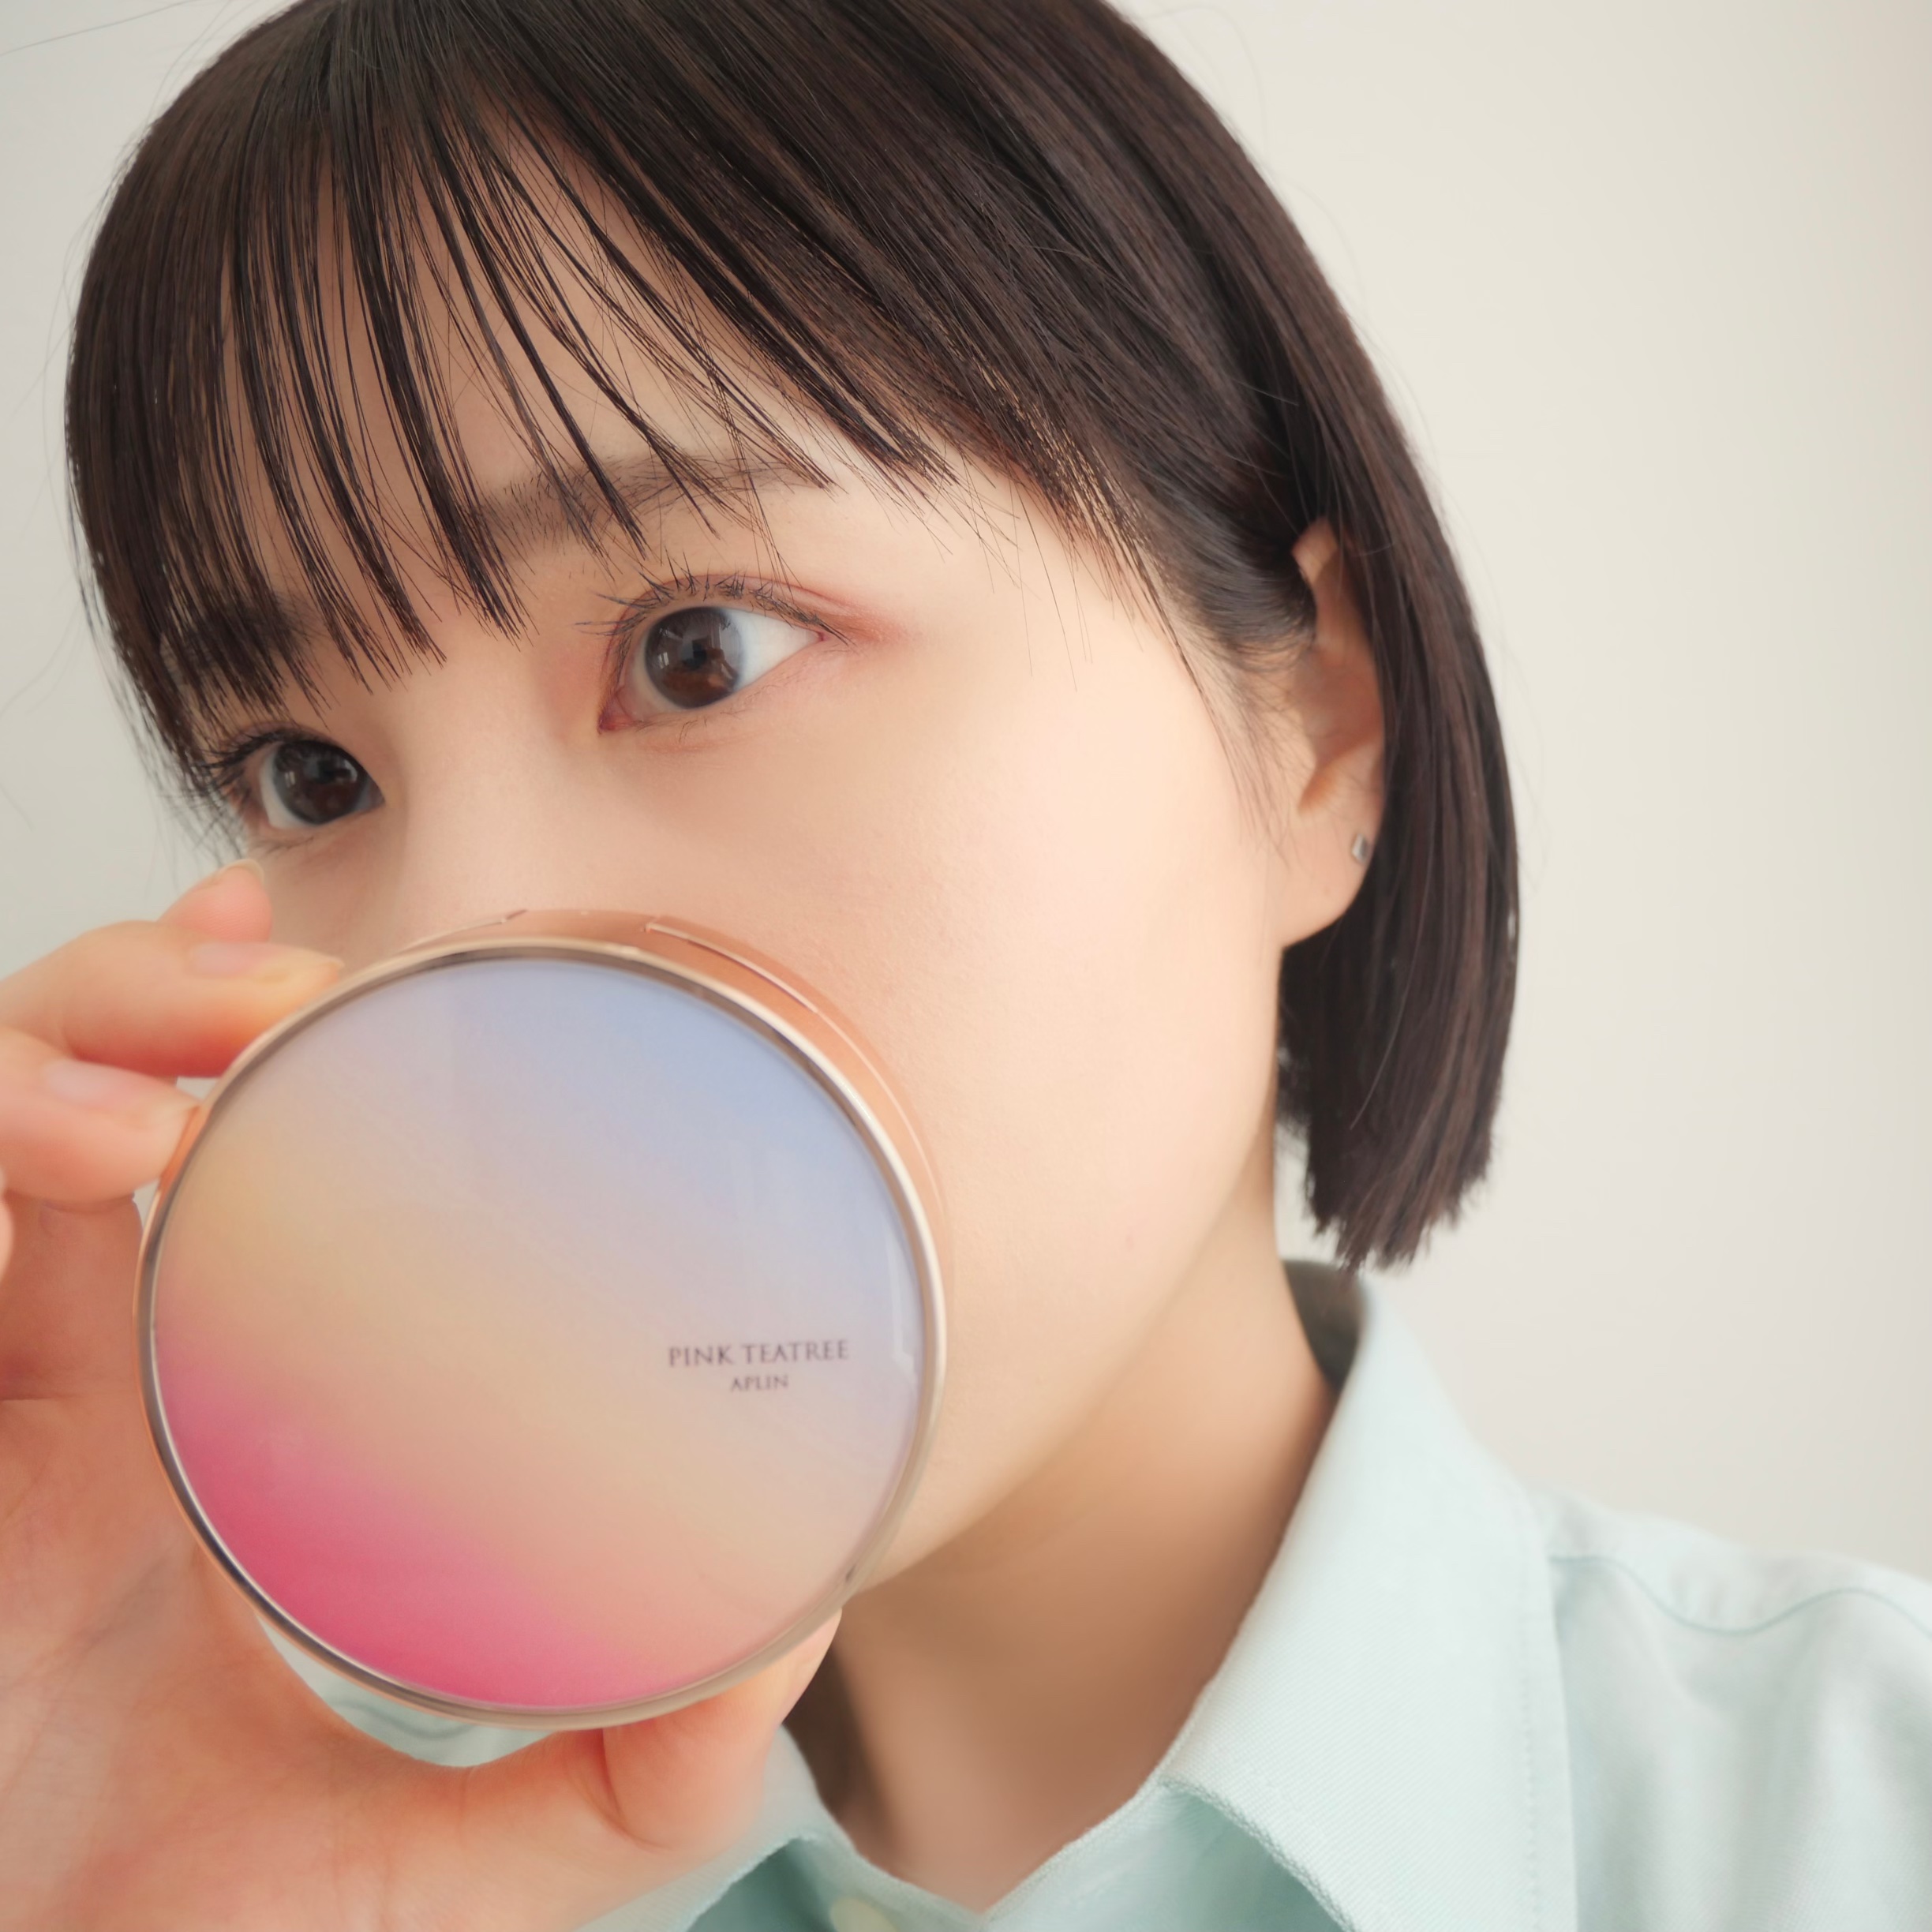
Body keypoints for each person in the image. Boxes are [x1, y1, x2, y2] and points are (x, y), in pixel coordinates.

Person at [3, 0, 1927, 1926]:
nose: (445, 966)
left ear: (1314, 723)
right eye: (309, 776)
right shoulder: (216, 1846)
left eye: (698, 650)